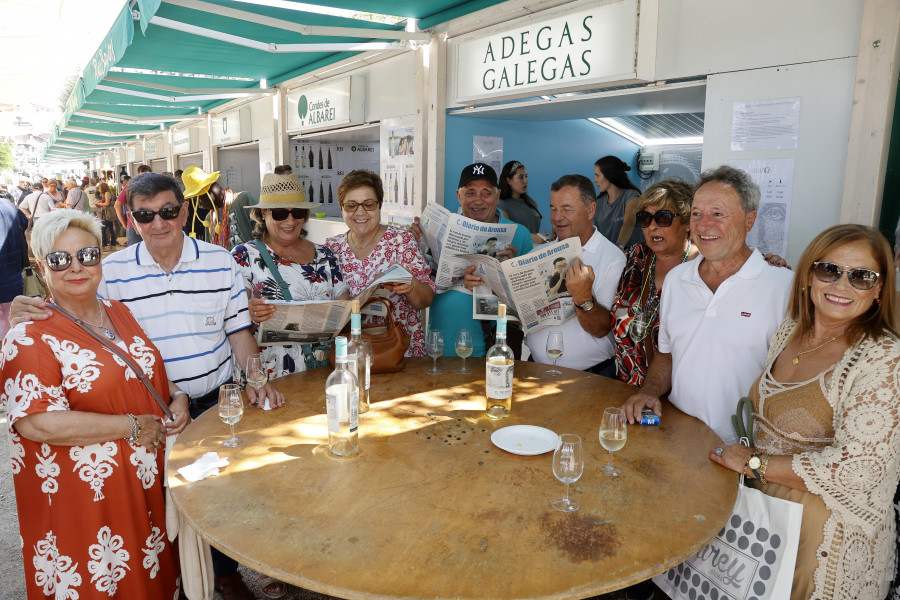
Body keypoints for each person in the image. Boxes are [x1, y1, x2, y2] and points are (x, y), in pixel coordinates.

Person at [9, 173, 285, 600]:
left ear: (185, 211)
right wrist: (28, 307)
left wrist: (245, 381)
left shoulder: (132, 300)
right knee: (104, 567)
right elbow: (36, 423)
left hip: (200, 408)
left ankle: (223, 574)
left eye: (169, 211)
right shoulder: (104, 280)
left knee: (211, 504)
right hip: (96, 480)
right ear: (131, 219)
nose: (159, 222)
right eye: (145, 214)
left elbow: (233, 333)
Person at [2, 209, 189, 598]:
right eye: (59, 259)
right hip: (88, 503)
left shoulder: (118, 311)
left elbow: (141, 368)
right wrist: (132, 426)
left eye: (87, 255)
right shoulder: (30, 336)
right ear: (41, 265)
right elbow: (36, 423)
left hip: (145, 488)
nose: (76, 267)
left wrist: (178, 396)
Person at [708, 224, 900, 600]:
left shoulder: (883, 359)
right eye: (829, 270)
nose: (841, 286)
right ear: (808, 276)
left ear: (879, 290)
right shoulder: (791, 330)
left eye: (862, 277)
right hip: (764, 520)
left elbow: (855, 473)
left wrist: (753, 463)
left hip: (824, 539)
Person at [622, 165, 795, 445]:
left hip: (741, 447)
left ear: (749, 220)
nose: (703, 225)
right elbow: (667, 356)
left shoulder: (784, 287)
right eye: (697, 214)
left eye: (718, 214)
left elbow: (793, 381)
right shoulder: (678, 278)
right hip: (676, 435)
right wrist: (649, 391)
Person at [234, 173, 349, 380]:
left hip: (322, 370)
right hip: (268, 375)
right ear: (263, 214)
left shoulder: (326, 256)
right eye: (279, 213)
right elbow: (236, 323)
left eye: (297, 212)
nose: (290, 220)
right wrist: (249, 313)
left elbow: (343, 310)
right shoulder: (244, 256)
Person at [506, 174, 625, 373]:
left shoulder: (614, 259)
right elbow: (518, 318)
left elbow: (601, 329)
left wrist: (583, 296)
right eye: (553, 208)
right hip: (536, 370)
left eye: (566, 209)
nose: (557, 217)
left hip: (590, 377)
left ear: (590, 210)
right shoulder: (537, 254)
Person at [417, 163, 533, 357]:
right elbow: (421, 288)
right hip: (444, 345)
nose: (478, 201)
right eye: (470, 193)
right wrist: (414, 241)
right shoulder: (441, 231)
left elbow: (529, 304)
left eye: (486, 193)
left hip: (495, 346)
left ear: (497, 196)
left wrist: (509, 274)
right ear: (458, 195)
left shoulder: (519, 234)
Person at [323, 170, 435, 357]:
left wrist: (411, 285)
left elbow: (425, 301)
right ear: (341, 207)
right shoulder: (331, 247)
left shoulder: (401, 241)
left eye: (369, 204)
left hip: (398, 351)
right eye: (351, 205)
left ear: (379, 206)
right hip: (350, 352)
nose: (360, 212)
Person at [608, 180, 699, 386]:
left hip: (679, 396)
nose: (653, 226)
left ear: (687, 223)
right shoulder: (634, 258)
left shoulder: (703, 269)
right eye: (645, 218)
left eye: (663, 218)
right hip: (625, 389)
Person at [592, 155, 643, 249]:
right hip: (610, 257)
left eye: (597, 175)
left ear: (609, 175)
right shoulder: (597, 203)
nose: (595, 180)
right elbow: (595, 232)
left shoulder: (632, 196)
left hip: (634, 257)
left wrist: (619, 246)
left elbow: (629, 223)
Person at [498, 160, 546, 244]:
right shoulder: (501, 204)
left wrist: (541, 236)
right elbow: (507, 230)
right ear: (509, 181)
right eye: (521, 177)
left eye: (526, 176)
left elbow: (533, 231)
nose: (526, 181)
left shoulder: (531, 202)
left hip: (536, 251)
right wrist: (533, 237)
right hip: (516, 253)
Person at [0, 196, 27, 339]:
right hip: (13, 279)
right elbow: (24, 223)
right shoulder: (9, 205)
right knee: (12, 334)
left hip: (9, 278)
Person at [91, 181, 117, 247]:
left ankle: (104, 243)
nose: (99, 189)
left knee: (103, 228)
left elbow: (107, 203)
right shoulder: (104, 194)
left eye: (100, 188)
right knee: (110, 228)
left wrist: (99, 204)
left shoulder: (107, 193)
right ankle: (112, 243)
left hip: (107, 213)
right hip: (105, 212)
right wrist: (100, 205)